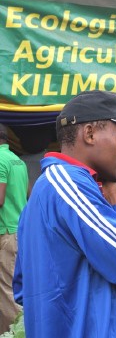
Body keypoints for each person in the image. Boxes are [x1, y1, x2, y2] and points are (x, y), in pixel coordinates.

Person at [13, 90, 116, 337]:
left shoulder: (49, 187)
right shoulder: (69, 182)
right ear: (90, 133)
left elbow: (24, 287)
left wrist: (105, 286)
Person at [0, 124, 29, 334]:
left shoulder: (0, 160)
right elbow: (25, 192)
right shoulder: (17, 161)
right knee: (14, 289)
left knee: (6, 293)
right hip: (19, 229)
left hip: (7, 233)